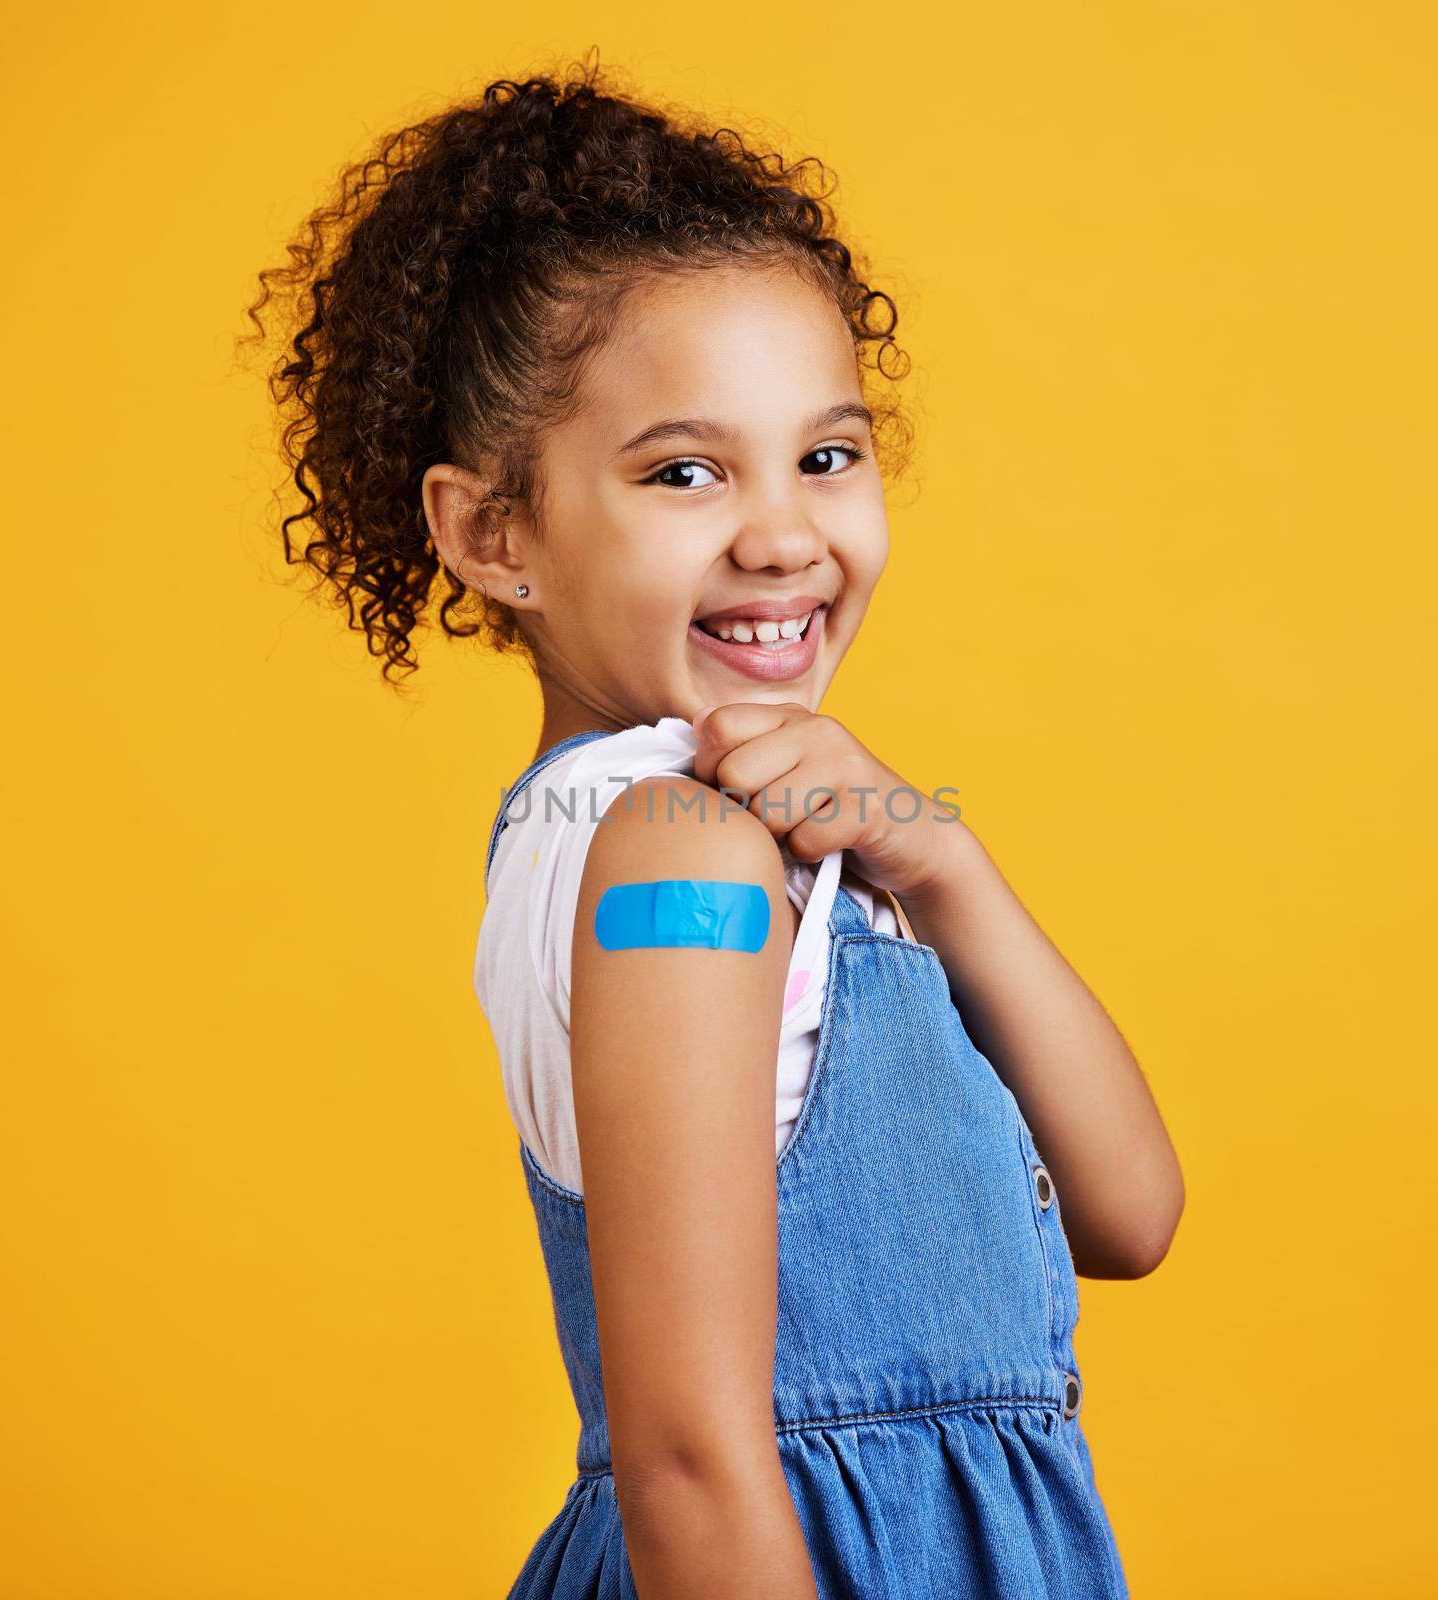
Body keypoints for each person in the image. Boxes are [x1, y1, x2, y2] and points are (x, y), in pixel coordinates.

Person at [247, 51, 1183, 1599]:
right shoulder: (677, 857)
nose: (782, 531)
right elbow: (689, 1456)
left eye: (827, 454)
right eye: (685, 470)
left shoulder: (791, 842)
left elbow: (1131, 1211)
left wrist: (938, 858)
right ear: (494, 533)